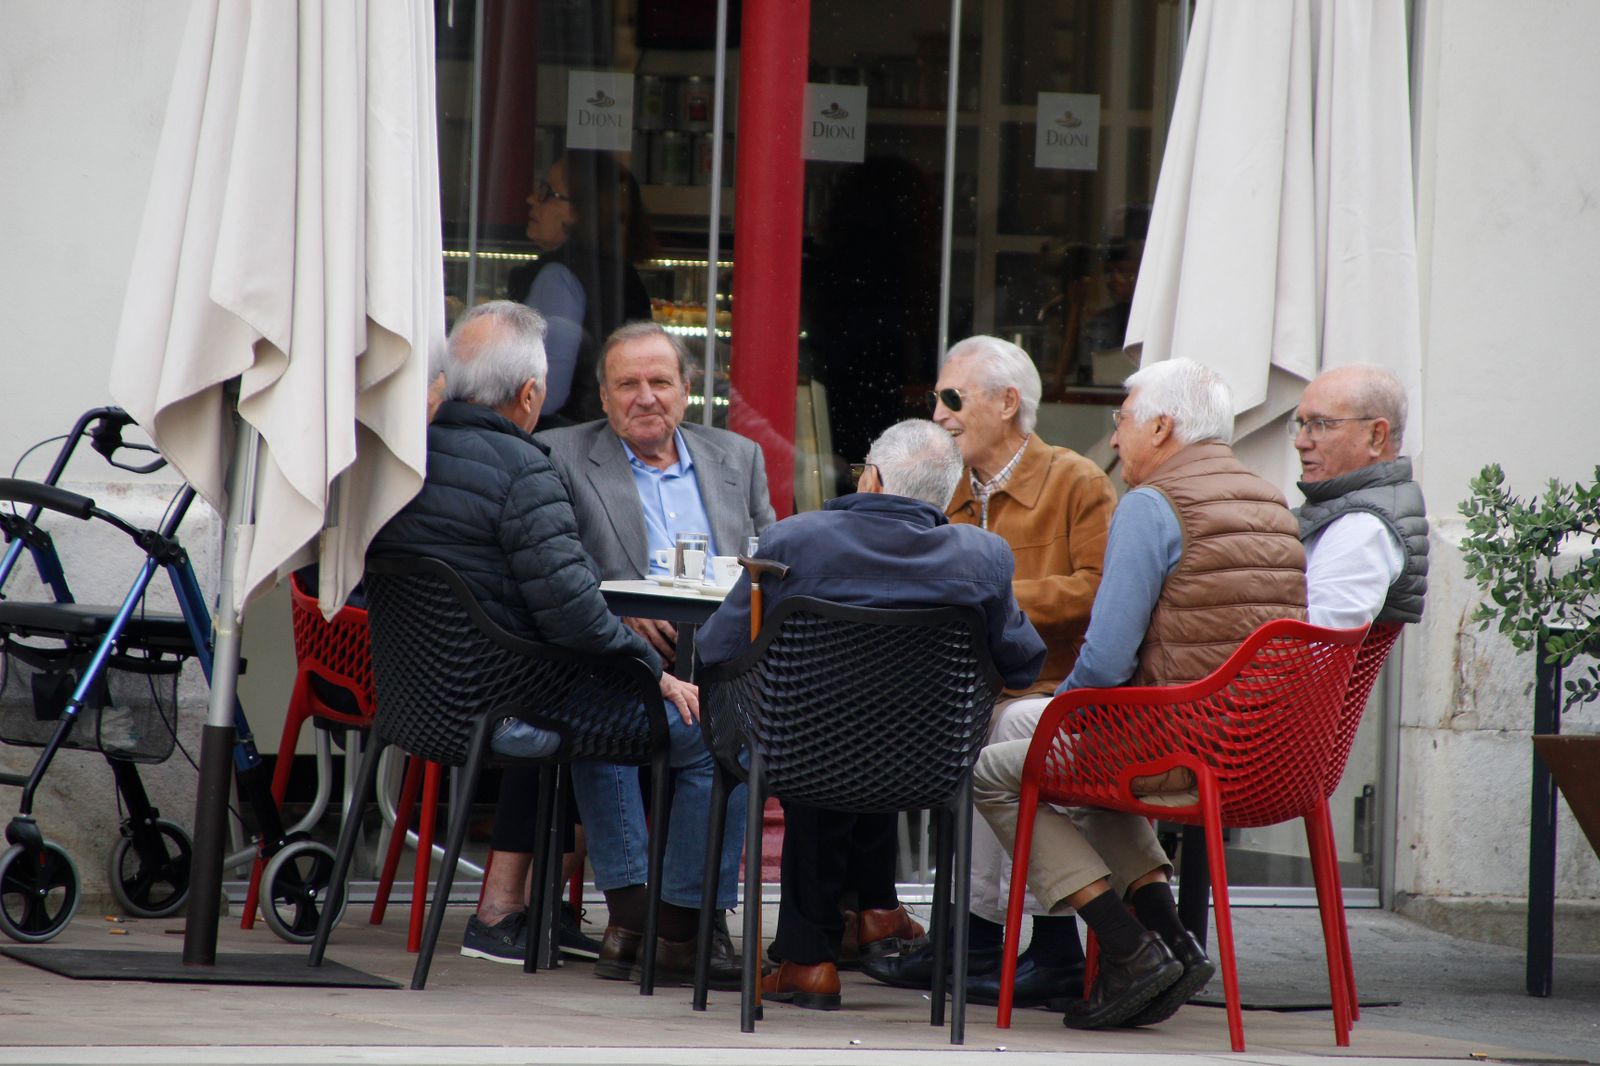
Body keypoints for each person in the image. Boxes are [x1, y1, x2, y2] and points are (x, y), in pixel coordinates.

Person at [970, 357, 1308, 1031]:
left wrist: (1064, 710)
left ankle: (1125, 948)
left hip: (1175, 747)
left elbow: (1104, 658)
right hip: (1260, 750)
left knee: (995, 769)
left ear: (1162, 425)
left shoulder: (1154, 506)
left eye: (1121, 421)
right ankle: (1172, 939)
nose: (1115, 438)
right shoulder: (1273, 500)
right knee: (1059, 746)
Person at [367, 301, 705, 973]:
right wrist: (651, 668)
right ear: (529, 395)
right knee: (698, 726)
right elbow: (572, 613)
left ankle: (637, 920)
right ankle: (666, 920)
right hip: (506, 706)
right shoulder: (526, 471)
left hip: (411, 701)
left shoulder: (398, 463)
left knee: (614, 692)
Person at [695, 419, 1048, 1010]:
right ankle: (875, 913)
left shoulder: (792, 541)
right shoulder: (985, 556)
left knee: (809, 733)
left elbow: (715, 648)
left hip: (800, 758)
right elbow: (1021, 666)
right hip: (930, 766)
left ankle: (810, 961)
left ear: (875, 478)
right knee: (858, 737)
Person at [862, 335, 1116, 1007]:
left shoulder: (1075, 481)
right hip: (962, 690)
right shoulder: (940, 485)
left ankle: (1028, 943)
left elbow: (1097, 590)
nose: (939, 414)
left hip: (1051, 690)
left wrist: (997, 597)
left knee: (1005, 735)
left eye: (953, 398)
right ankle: (965, 937)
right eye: (935, 400)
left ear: (1008, 404)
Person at [536, 320, 775, 985]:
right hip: (609, 660)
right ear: (604, 396)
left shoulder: (738, 456)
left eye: (660, 382)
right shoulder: (559, 454)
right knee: (613, 724)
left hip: (718, 662)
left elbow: (771, 560)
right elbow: (553, 564)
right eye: (628, 384)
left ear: (687, 391)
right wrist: (615, 610)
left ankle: (667, 923)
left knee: (727, 729)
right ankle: (646, 916)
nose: (646, 397)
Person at [513, 150, 656, 424]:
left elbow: (545, 395)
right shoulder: (622, 275)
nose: (532, 199)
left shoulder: (556, 276)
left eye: (546, 192)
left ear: (578, 211)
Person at [1291, 364, 1428, 626]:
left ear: (1377, 436)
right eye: (1301, 424)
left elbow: (1318, 646)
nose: (1301, 442)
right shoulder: (1348, 509)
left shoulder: (1363, 527)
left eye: (1320, 424)